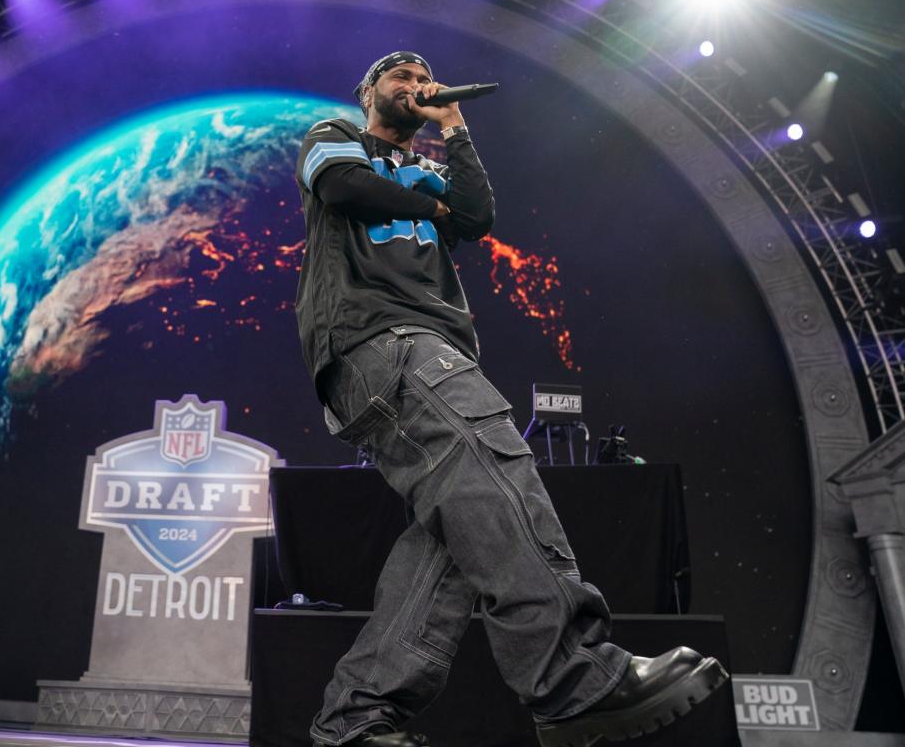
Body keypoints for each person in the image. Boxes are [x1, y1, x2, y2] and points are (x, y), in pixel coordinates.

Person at [293, 52, 728, 747]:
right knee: (497, 473)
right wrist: (427, 204)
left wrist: (455, 126)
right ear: (367, 89)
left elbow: (476, 213)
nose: (414, 85)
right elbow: (345, 190)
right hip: (382, 337)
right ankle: (574, 681)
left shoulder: (435, 166)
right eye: (398, 76)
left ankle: (354, 718)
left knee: (457, 534)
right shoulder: (335, 137)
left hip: (420, 348)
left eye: (422, 76)